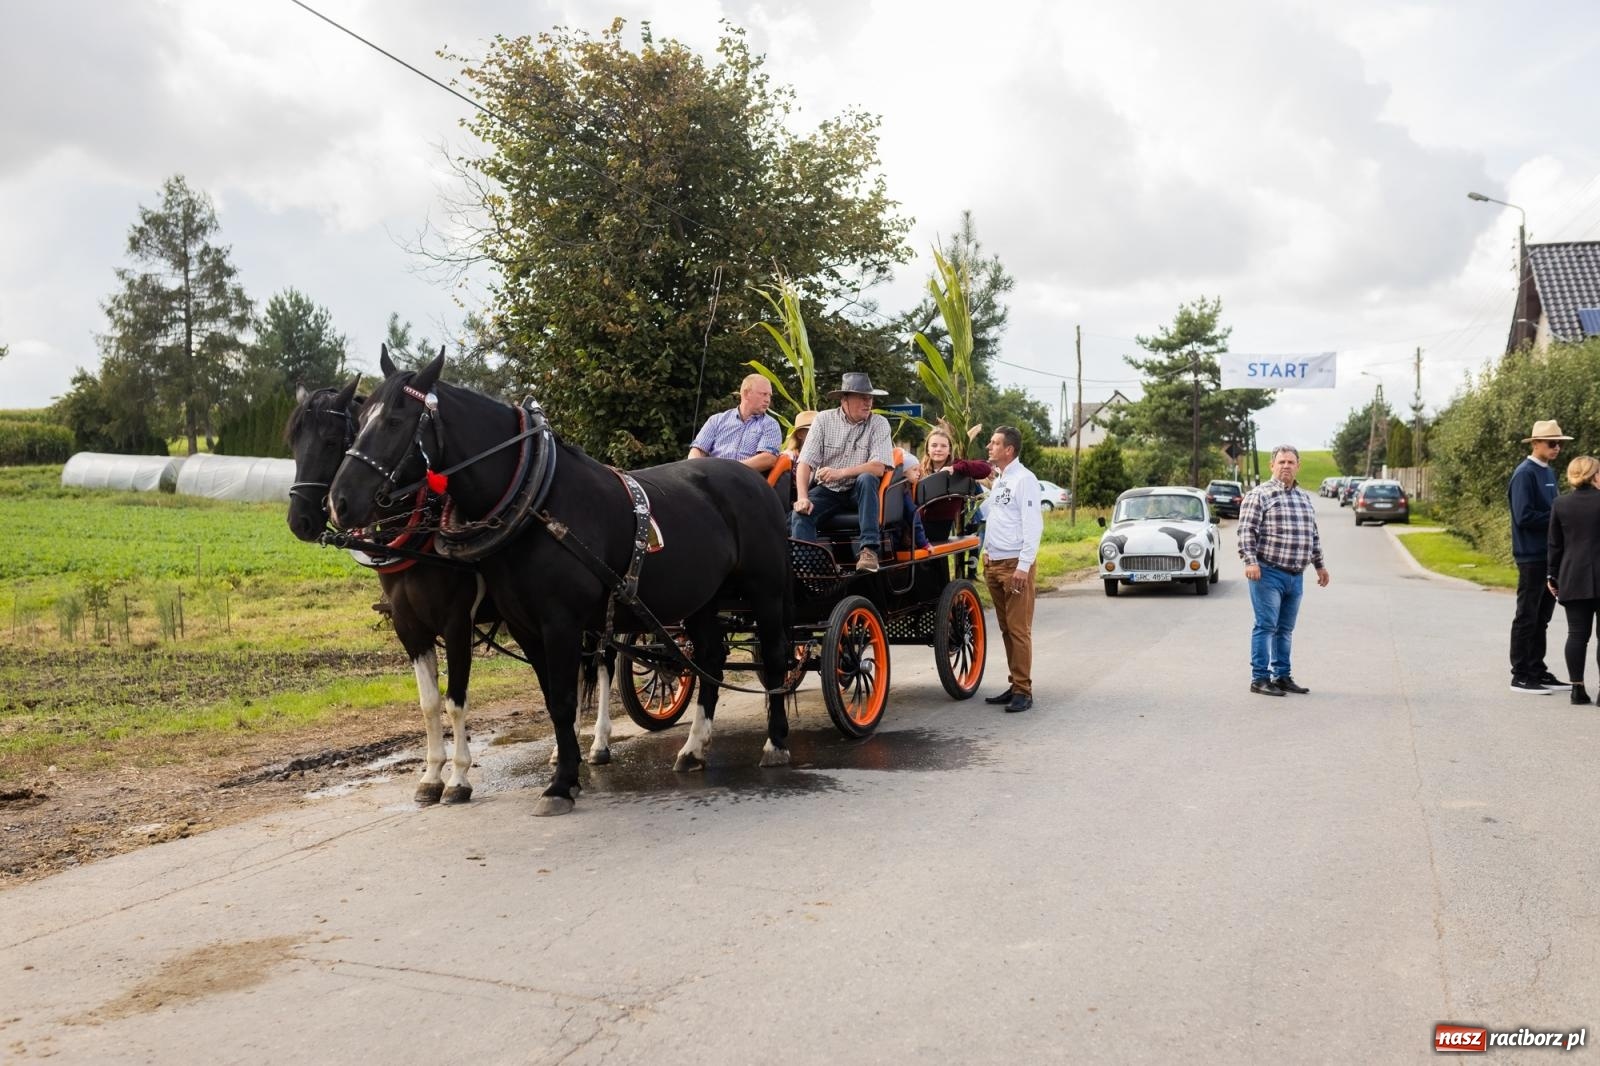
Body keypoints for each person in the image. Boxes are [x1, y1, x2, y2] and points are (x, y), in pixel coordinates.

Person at [1236, 445, 1330, 697]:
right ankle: (1259, 678)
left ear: (1298, 465)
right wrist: (1250, 561)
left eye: (1291, 462)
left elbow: (1312, 534)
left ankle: (1282, 676)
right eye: (1281, 462)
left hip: (1295, 575)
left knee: (1285, 629)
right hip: (1268, 572)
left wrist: (1319, 565)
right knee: (1266, 625)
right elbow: (1246, 530)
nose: (1286, 466)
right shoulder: (1260, 495)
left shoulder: (1303, 497)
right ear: (1272, 466)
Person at [792, 373, 895, 572]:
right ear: (844, 399)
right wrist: (802, 498)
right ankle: (810, 571)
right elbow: (805, 463)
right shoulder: (823, 420)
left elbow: (878, 467)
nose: (868, 403)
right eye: (862, 398)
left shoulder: (879, 423)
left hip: (860, 491)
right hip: (829, 491)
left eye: (870, 398)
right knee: (800, 515)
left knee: (866, 478)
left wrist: (841, 473)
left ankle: (868, 551)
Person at [980, 426, 1043, 713]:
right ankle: (1014, 683)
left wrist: (1024, 565)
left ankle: (1023, 690)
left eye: (994, 443)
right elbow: (995, 518)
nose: (989, 447)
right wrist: (986, 552)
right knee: (1006, 629)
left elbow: (1033, 525)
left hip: (1015, 565)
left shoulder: (1024, 480)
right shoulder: (1001, 479)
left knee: (1018, 630)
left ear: (1009, 450)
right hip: (995, 563)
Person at [1508, 420, 1573, 694]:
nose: (1557, 447)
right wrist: (1559, 517)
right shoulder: (1525, 474)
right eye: (1551, 443)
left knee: (1542, 617)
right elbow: (1523, 516)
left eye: (1559, 443)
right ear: (1535, 443)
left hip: (1549, 555)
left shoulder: (1549, 472)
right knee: (1527, 615)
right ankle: (1521, 674)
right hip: (1531, 555)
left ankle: (1537, 669)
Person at [1546, 454, 1600, 705]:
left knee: (1577, 634)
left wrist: (1551, 574)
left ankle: (1577, 689)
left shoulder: (1560, 504)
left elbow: (1554, 545)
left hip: (1573, 574)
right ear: (1595, 475)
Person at [911, 425, 993, 543]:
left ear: (949, 450)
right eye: (934, 445)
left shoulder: (957, 466)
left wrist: (955, 468)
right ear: (927, 449)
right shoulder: (920, 469)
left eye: (943, 446)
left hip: (940, 523)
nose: (938, 449)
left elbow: (985, 468)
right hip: (919, 522)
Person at [687, 373, 781, 473]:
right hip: (712, 477)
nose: (767, 400)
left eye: (769, 395)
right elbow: (697, 450)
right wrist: (696, 471)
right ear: (746, 393)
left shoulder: (770, 425)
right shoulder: (716, 420)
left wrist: (730, 469)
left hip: (745, 480)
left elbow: (768, 459)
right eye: (763, 394)